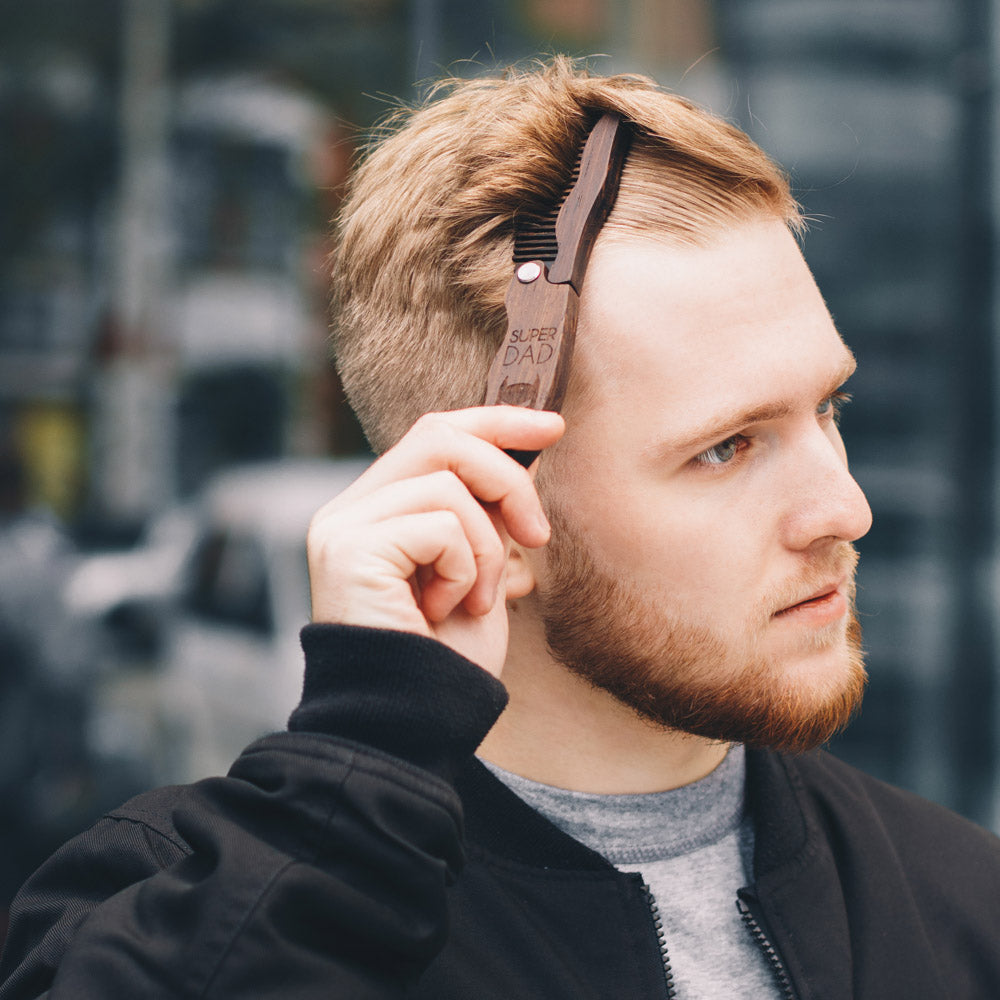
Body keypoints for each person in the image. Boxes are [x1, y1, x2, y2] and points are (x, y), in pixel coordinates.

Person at [2, 57, 999, 1000]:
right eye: (726, 448)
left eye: (827, 407)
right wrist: (359, 780)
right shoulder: (195, 917)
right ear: (498, 510)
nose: (846, 509)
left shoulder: (959, 909)